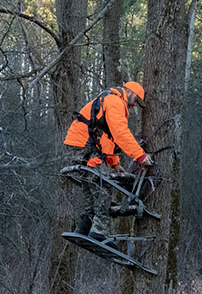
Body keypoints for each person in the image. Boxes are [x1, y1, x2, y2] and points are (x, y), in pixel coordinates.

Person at [64, 81, 154, 243]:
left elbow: (107, 138)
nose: (134, 105)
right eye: (136, 101)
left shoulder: (108, 100)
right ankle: (99, 232)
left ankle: (84, 227)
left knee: (90, 187)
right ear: (130, 92)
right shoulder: (114, 102)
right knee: (102, 185)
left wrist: (114, 164)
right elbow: (120, 133)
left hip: (80, 146)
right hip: (86, 148)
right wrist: (140, 156)